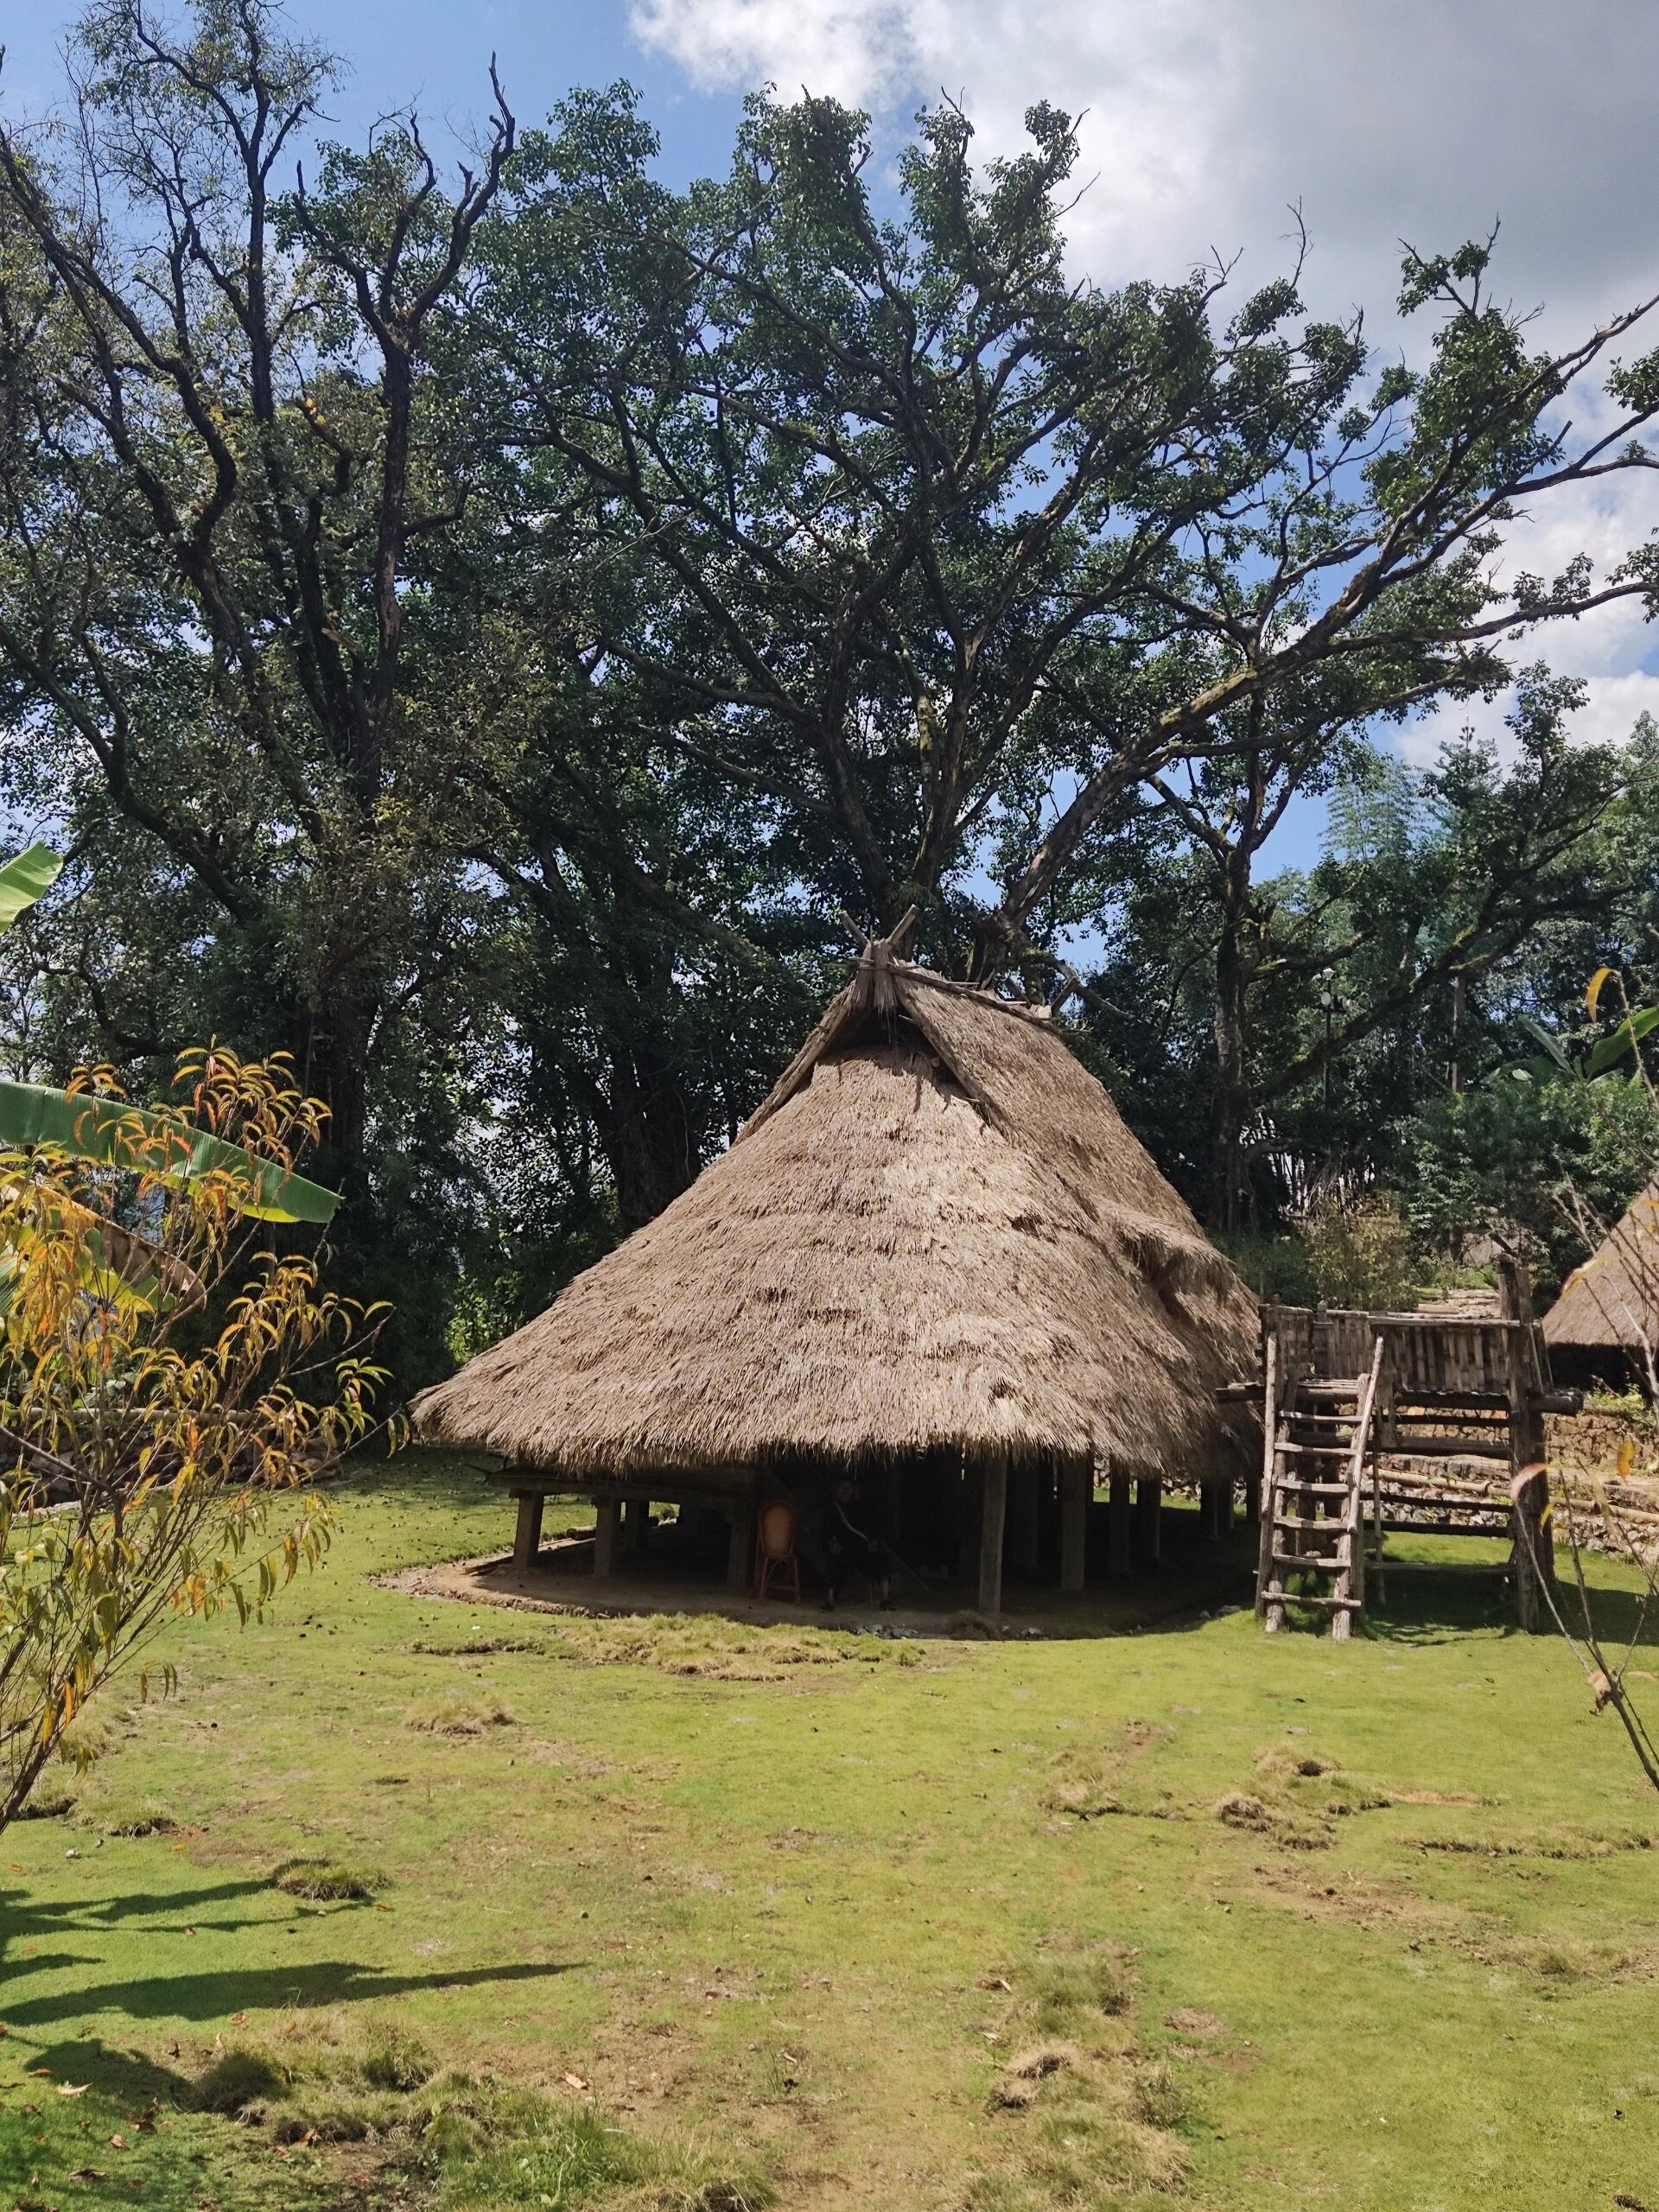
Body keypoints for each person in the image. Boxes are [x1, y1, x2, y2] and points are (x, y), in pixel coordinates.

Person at [822, 1478, 892, 1611]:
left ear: (853, 1490)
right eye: (842, 1487)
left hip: (860, 1549)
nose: (845, 1490)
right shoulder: (831, 1510)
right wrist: (831, 1543)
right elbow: (824, 1532)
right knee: (831, 1559)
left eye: (848, 1487)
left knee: (882, 1556)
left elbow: (873, 1527)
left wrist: (874, 1540)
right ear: (837, 1489)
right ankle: (830, 1601)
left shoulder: (861, 1508)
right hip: (841, 1549)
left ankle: (885, 1599)